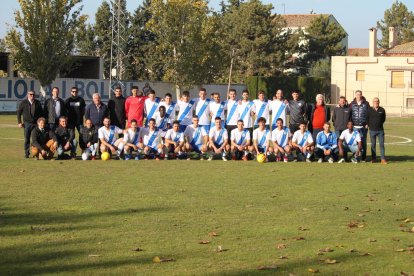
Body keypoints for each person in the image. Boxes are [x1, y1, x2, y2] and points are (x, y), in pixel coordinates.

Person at [17, 90, 43, 158]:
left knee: (36, 139)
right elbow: (19, 113)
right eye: (31, 94)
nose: (32, 96)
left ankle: (37, 153)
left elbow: (41, 113)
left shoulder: (38, 103)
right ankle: (27, 153)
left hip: (35, 124)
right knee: (27, 139)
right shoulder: (23, 102)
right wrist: (19, 122)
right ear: (27, 95)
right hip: (27, 124)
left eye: (33, 94)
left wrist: (41, 122)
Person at [350, 90, 370, 162]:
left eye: (359, 94)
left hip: (363, 127)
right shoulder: (352, 104)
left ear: (361, 95)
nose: (358, 95)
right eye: (357, 94)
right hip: (354, 126)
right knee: (354, 142)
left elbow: (368, 114)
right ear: (355, 95)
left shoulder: (366, 104)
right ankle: (355, 156)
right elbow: (349, 114)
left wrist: (367, 123)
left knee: (363, 142)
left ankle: (363, 157)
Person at [367, 97, 387, 164]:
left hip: (380, 130)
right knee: (373, 145)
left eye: (377, 101)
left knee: (381, 145)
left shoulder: (382, 110)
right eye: (375, 101)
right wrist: (369, 124)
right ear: (373, 102)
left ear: (379, 102)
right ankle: (373, 159)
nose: (376, 102)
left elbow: (384, 119)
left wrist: (379, 124)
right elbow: (367, 118)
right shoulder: (369, 109)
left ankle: (383, 159)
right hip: (372, 130)